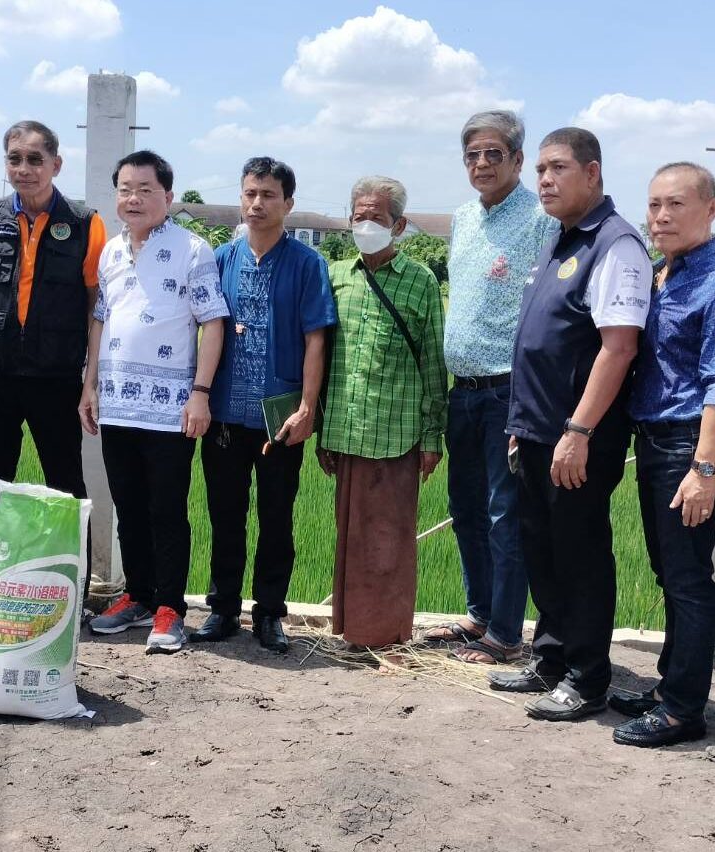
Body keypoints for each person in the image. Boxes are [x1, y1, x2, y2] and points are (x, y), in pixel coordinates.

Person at [489, 128, 650, 724]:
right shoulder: (560, 240)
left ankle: (587, 677)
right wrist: (522, 423)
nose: (545, 180)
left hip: (578, 436)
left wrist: (578, 432)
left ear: (593, 172)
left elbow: (618, 348)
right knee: (543, 548)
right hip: (537, 430)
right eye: (540, 170)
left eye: (558, 168)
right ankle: (550, 659)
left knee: (579, 553)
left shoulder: (615, 245)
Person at [609, 163, 715, 745]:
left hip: (687, 445)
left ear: (711, 210)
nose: (662, 216)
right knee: (668, 573)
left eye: (676, 204)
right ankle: (670, 686)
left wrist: (704, 469)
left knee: (689, 579)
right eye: (654, 205)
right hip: (653, 442)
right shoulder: (659, 277)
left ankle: (682, 710)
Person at [422, 110, 558, 665]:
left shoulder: (541, 219)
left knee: (506, 513)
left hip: (509, 390)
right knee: (466, 508)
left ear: (518, 160)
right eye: (472, 155)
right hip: (464, 391)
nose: (481, 164)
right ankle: (479, 614)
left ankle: (505, 633)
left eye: (493, 154)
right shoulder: (463, 218)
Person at [0, 120, 107, 618]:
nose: (24, 169)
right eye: (15, 159)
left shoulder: (84, 223)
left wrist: (87, 375)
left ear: (56, 165)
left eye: (35, 159)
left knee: (66, 483)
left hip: (56, 375)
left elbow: (94, 303)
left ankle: (75, 591)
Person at [80, 150, 228, 654]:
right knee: (128, 504)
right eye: (125, 189)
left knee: (166, 508)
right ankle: (138, 596)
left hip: (170, 408)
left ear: (168, 195)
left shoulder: (192, 249)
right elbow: (101, 319)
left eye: (145, 189)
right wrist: (89, 385)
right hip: (117, 403)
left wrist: (200, 394)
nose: (134, 198)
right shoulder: (111, 251)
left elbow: (212, 322)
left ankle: (170, 607)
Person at [193, 156, 336, 653]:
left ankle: (270, 614)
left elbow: (316, 339)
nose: (257, 203)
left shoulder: (307, 264)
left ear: (288, 203)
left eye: (269, 195)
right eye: (250, 193)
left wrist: (308, 407)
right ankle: (222, 609)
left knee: (277, 518)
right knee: (224, 515)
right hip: (224, 414)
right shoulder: (221, 259)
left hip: (281, 418)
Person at [317, 176, 446, 651]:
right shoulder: (335, 276)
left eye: (377, 217)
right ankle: (352, 634)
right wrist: (321, 430)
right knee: (350, 539)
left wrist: (433, 437)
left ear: (399, 225)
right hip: (344, 431)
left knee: (390, 543)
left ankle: (387, 638)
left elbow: (433, 363)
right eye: (359, 216)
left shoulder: (421, 280)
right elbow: (321, 360)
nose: (366, 225)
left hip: (398, 433)